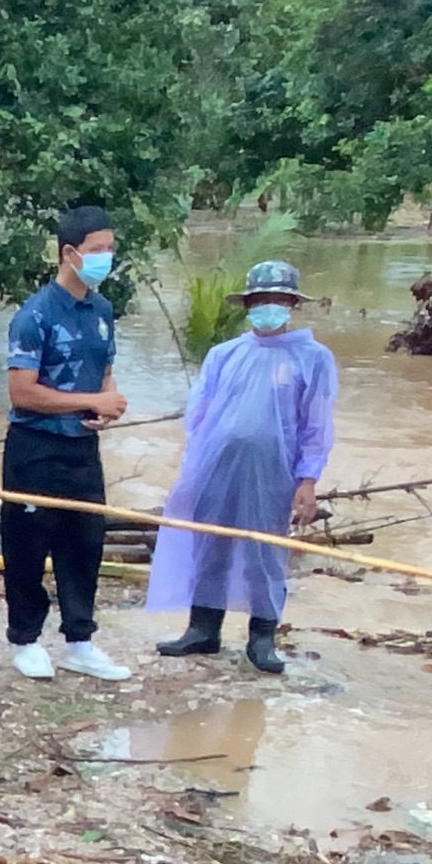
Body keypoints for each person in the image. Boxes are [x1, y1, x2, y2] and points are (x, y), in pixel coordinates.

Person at [148, 261, 337, 674]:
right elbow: (198, 414)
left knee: (264, 551)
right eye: (260, 300)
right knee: (209, 543)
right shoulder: (224, 355)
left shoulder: (314, 359)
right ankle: (203, 629)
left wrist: (308, 481)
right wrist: (192, 468)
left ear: (291, 304)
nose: (268, 307)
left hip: (273, 472)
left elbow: (316, 424)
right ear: (248, 305)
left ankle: (262, 637)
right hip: (215, 465)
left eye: (277, 300)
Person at [2, 205, 134, 684]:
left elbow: (103, 372)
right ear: (69, 253)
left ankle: (80, 639)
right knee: (28, 545)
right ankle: (26, 639)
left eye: (110, 250)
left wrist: (106, 406)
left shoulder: (101, 311)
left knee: (84, 542)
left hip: (82, 448)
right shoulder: (35, 315)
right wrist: (90, 398)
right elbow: (22, 392)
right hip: (35, 447)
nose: (106, 258)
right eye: (98, 250)